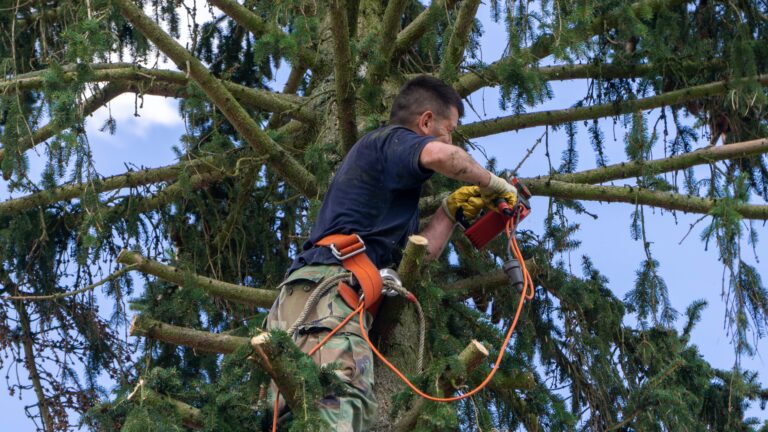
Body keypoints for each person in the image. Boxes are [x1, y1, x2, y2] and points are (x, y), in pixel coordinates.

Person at [265, 75, 517, 431]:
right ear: (426, 122)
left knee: (299, 415)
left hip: (315, 293)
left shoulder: (391, 192)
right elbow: (441, 154)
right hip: (329, 292)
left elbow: (419, 255)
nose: (451, 139)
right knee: (343, 404)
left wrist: (448, 211)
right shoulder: (392, 141)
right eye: (449, 129)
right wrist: (493, 183)